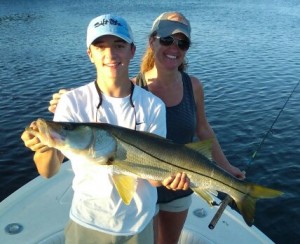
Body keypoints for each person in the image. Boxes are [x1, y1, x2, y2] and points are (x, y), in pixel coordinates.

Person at [48, 12, 245, 244]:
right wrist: (64, 102)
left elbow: (203, 129)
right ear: (152, 41)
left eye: (182, 42)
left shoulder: (193, 86)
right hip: (142, 188)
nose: (174, 47)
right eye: (167, 39)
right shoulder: (134, 87)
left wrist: (227, 167)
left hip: (181, 177)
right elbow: (108, 96)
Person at [21, 14, 189, 244]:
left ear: (132, 51)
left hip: (139, 224)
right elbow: (48, 171)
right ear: (90, 54)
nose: (110, 54)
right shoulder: (72, 102)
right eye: (100, 47)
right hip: (87, 221)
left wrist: (170, 178)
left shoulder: (152, 105)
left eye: (118, 45)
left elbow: (154, 181)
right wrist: (44, 145)